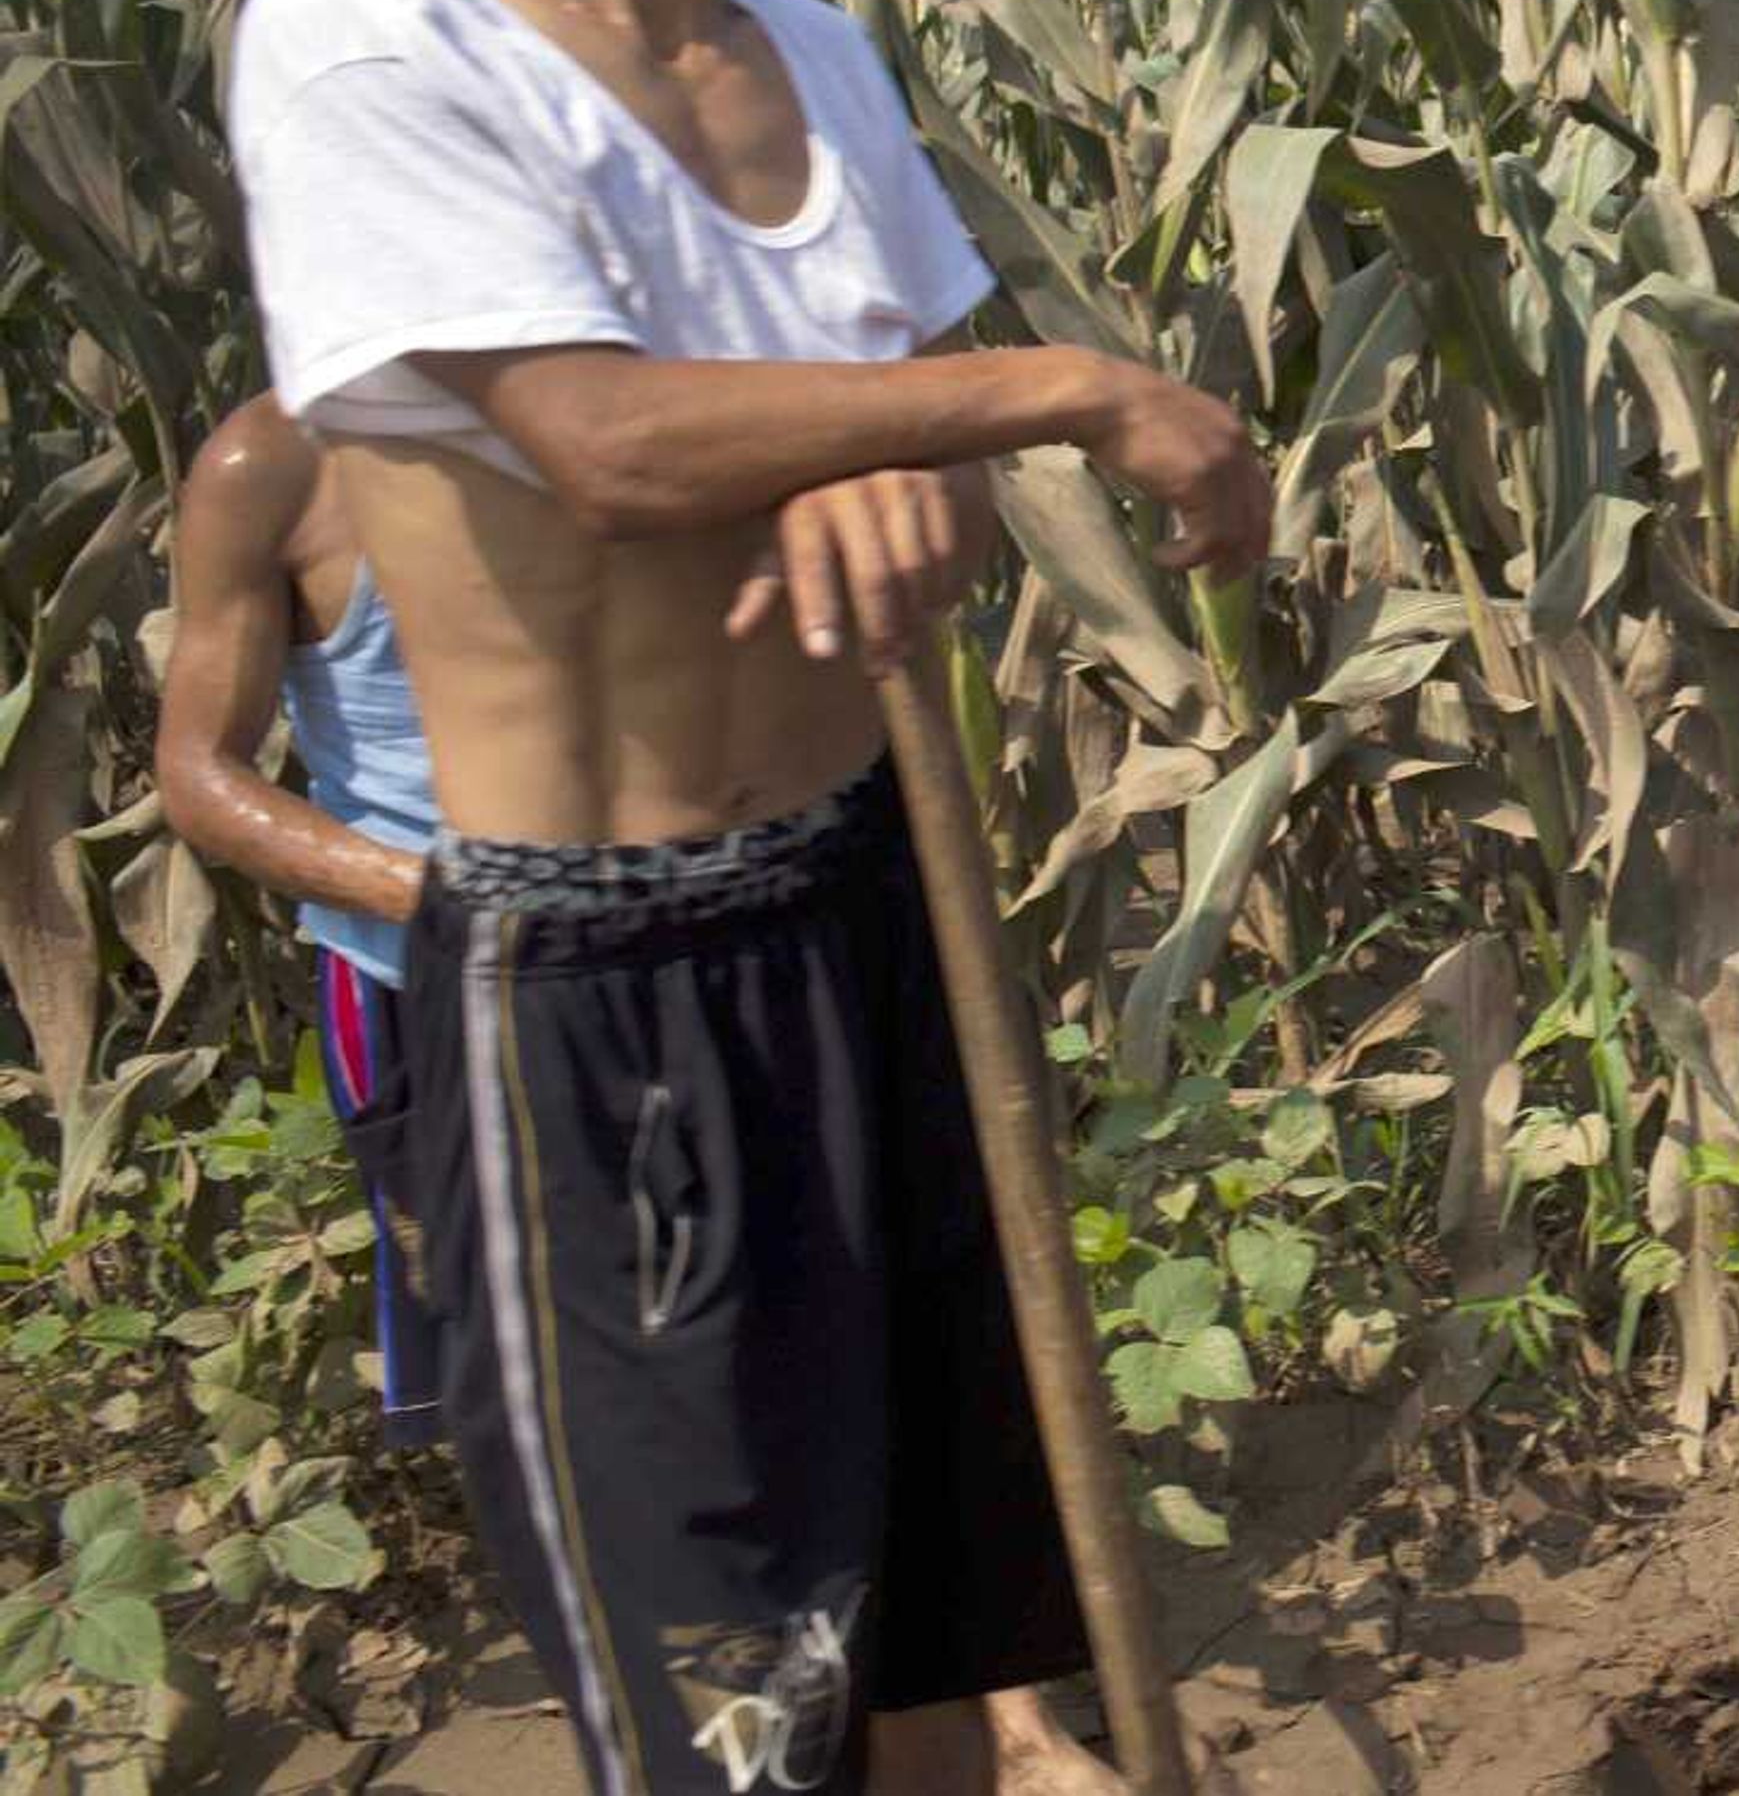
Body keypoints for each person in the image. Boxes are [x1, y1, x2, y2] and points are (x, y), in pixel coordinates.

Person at [221, 0, 1268, 1796]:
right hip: (604, 970)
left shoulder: (812, 55)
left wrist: (913, 458)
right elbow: (596, 441)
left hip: (871, 902)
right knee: (730, 1703)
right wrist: (1058, 385)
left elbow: (921, 498)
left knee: (923, 1635)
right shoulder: (367, 37)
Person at [152, 398, 1128, 1793]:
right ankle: (725, 1724)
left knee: (862, 1322)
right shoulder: (272, 468)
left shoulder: (625, 401)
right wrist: (466, 905)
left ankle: (1004, 1725)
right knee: (612, 1416)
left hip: (688, 962)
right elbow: (201, 771)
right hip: (445, 996)